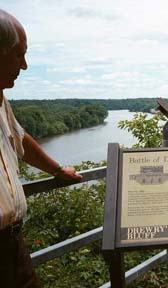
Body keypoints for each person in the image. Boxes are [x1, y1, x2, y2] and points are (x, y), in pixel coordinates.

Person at [0, 9, 82, 288]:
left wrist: (57, 169)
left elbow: (20, 138)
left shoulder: (0, 102)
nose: (24, 65)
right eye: (19, 54)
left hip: (13, 244)